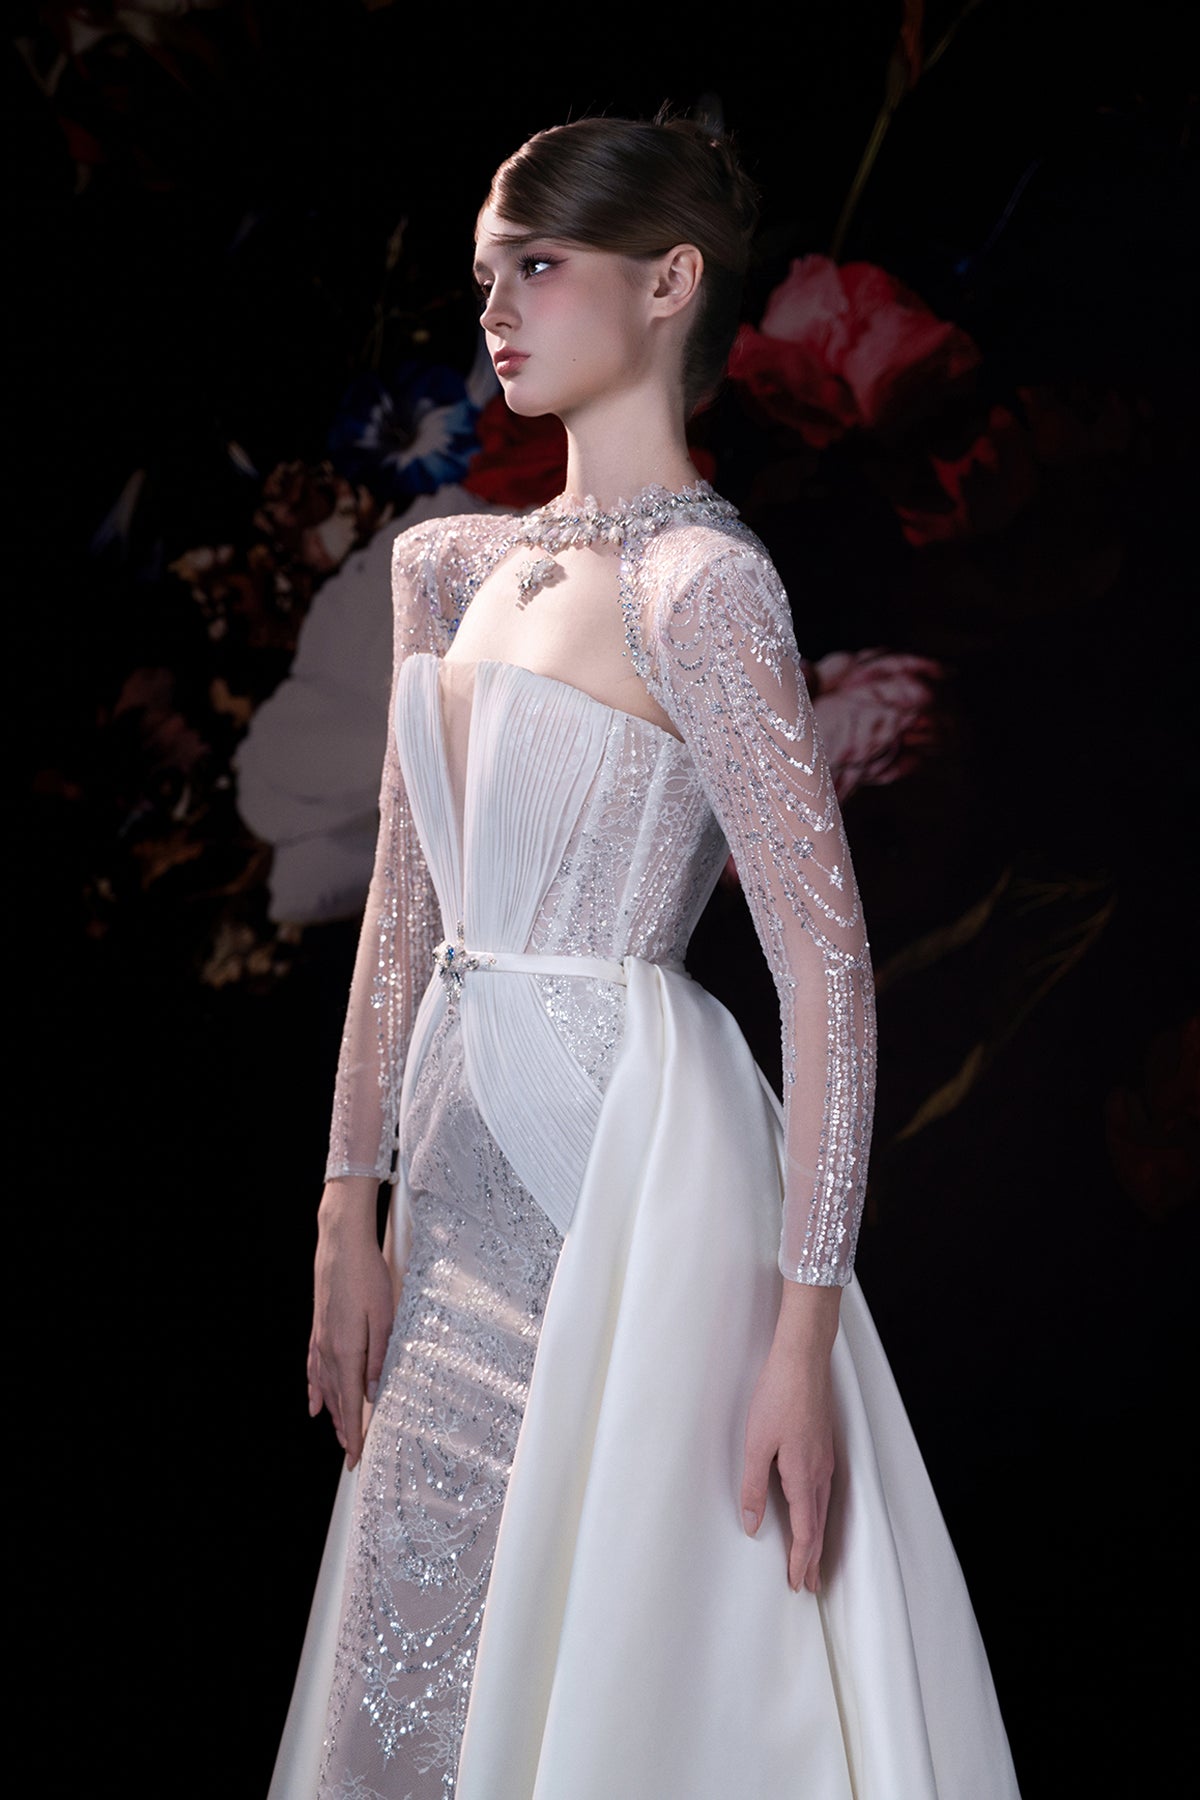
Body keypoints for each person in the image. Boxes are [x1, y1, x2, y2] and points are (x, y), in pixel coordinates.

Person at [269, 115, 1021, 1800]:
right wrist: (342, 1207)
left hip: (624, 1168)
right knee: (416, 1639)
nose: (495, 309)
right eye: (485, 273)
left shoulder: (703, 589)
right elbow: (403, 912)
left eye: (538, 267)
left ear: (672, 282)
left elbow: (826, 971)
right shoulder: (447, 567)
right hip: (453, 1180)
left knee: (617, 1636)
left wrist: (800, 1342)